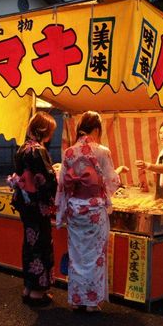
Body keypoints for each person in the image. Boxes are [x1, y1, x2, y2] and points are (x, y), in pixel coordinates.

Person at [55, 111, 129, 313]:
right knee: (95, 256)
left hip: (74, 209)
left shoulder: (69, 152)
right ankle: (91, 302)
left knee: (77, 256)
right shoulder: (102, 151)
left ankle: (77, 299)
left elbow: (62, 185)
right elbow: (112, 182)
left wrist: (60, 215)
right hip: (94, 210)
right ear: (96, 130)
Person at [9, 111, 58, 307]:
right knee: (42, 244)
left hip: (25, 202)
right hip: (38, 205)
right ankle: (38, 291)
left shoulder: (22, 149)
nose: (52, 135)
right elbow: (47, 179)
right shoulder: (38, 150)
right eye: (51, 130)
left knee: (30, 243)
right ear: (44, 130)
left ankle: (28, 287)